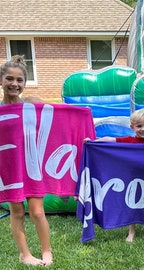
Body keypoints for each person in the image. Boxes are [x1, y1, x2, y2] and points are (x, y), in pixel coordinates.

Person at [86, 108, 144, 242]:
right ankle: (131, 231)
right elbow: (110, 140)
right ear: (132, 127)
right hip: (132, 177)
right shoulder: (128, 140)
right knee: (132, 203)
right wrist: (92, 142)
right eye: (139, 126)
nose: (143, 129)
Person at [0, 55, 52, 266]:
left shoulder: (33, 104)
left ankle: (46, 250)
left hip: (32, 165)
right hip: (9, 167)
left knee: (38, 211)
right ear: (1, 80)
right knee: (17, 211)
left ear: (25, 83)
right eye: (9, 79)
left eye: (19, 80)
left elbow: (59, 120)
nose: (14, 84)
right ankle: (25, 254)